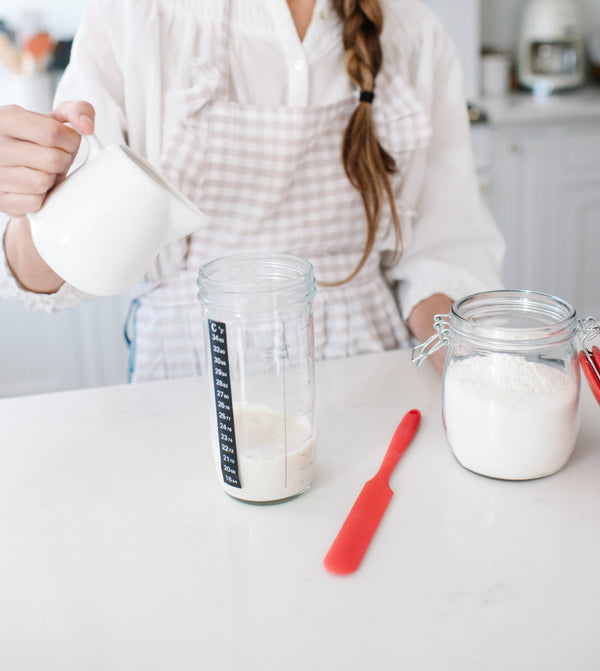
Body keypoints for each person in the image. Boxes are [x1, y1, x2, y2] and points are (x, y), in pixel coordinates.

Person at [0, 0, 504, 381]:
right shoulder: (141, 13)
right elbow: (59, 266)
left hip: (365, 372)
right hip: (188, 373)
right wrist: (34, 198)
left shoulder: (413, 30)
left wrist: (484, 377)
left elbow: (441, 248)